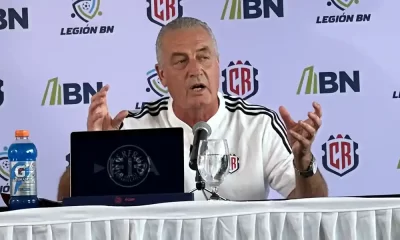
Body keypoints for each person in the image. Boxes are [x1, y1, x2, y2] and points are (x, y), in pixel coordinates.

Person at [57, 17, 328, 201]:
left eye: (203, 57)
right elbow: (66, 201)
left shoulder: (258, 124)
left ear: (218, 64)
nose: (195, 70)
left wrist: (304, 163)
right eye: (181, 61)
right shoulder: (132, 127)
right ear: (161, 75)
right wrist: (93, 148)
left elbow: (313, 208)